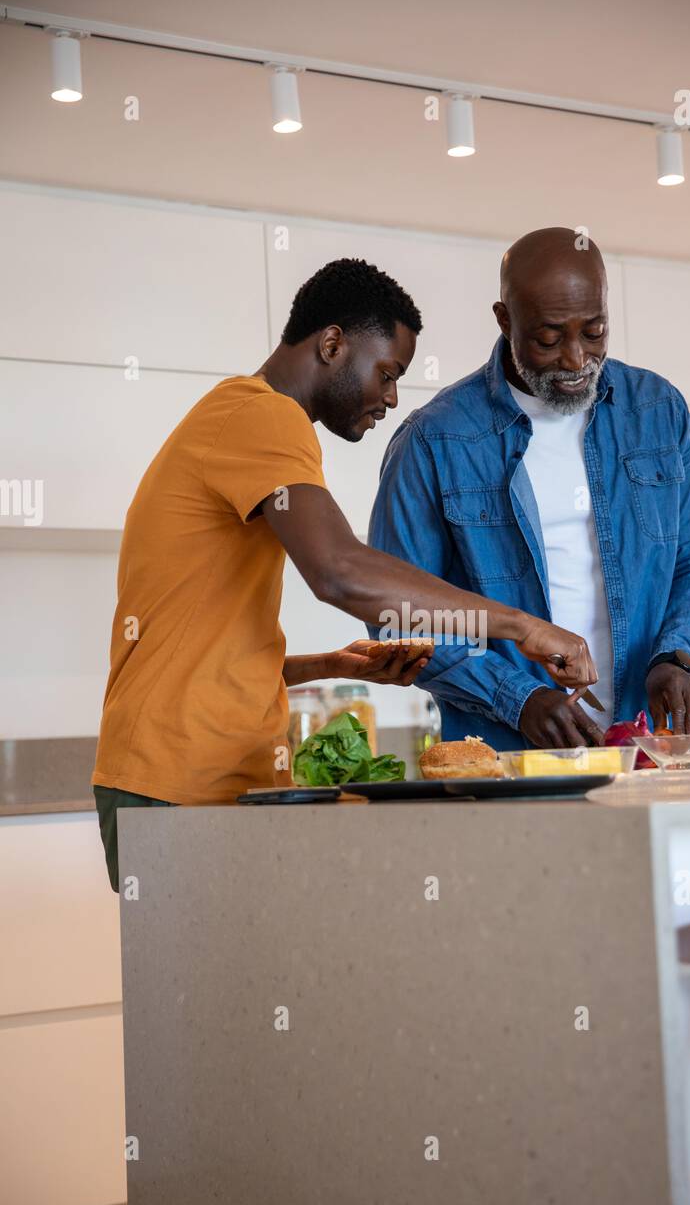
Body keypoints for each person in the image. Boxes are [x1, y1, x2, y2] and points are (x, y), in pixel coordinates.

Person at [92, 258, 596, 890]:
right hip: (178, 779)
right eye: (387, 373)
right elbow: (339, 571)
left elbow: (199, 647)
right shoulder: (260, 415)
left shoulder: (236, 423)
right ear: (331, 344)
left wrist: (334, 666)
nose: (390, 397)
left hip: (191, 775)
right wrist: (521, 627)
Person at [368, 228, 690, 750]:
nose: (576, 359)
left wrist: (677, 655)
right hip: (505, 756)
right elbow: (398, 614)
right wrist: (516, 698)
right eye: (548, 338)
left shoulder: (657, 411)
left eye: (595, 331)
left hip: (651, 748)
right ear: (504, 320)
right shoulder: (435, 440)